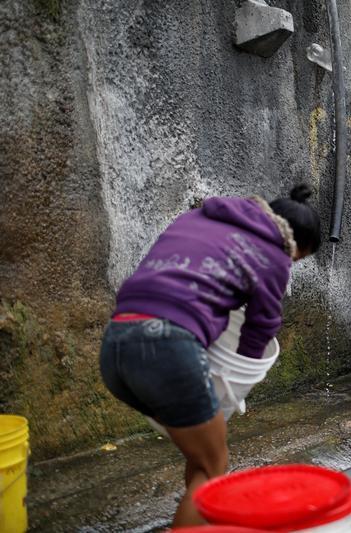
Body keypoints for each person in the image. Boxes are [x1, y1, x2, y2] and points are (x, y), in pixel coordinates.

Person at [99, 185, 321, 527]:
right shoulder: (275, 253)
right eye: (298, 259)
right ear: (296, 246)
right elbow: (260, 327)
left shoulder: (197, 217)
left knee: (200, 455)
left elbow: (181, 283)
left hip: (117, 344)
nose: (291, 264)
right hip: (169, 349)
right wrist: (236, 380)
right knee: (212, 469)